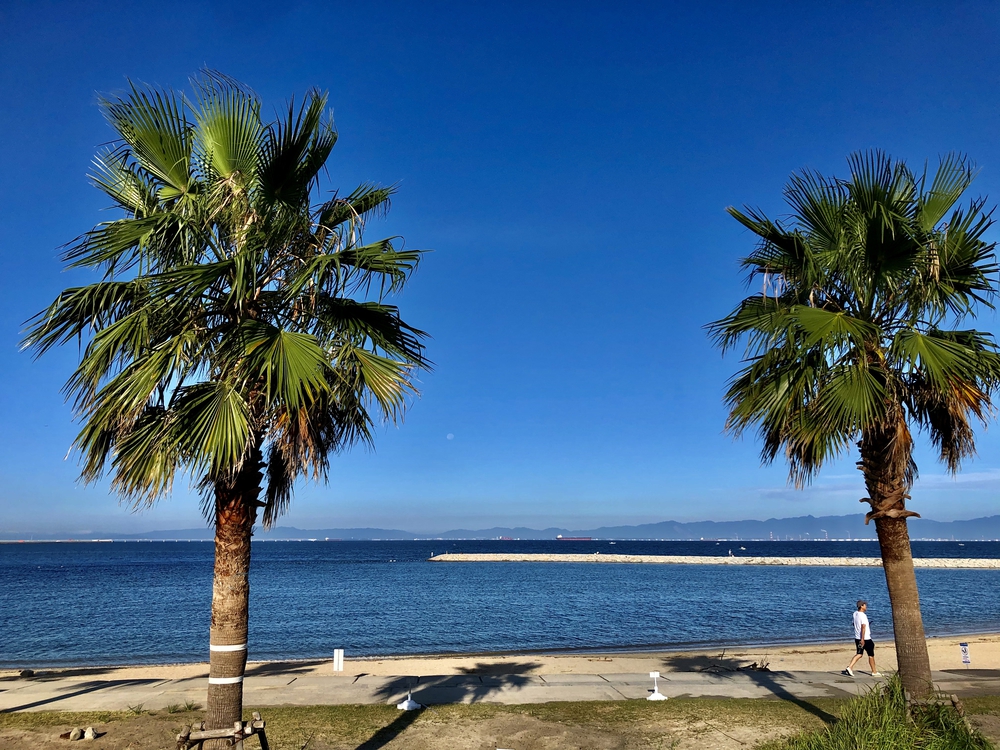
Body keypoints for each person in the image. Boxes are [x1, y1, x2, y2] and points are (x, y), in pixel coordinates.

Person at [843, 600, 881, 677]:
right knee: (871, 655)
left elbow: (854, 624)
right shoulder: (863, 615)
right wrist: (863, 639)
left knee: (859, 654)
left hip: (857, 637)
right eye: (865, 605)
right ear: (862, 606)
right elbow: (863, 627)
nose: (866, 606)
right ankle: (874, 672)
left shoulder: (855, 614)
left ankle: (850, 667)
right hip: (866, 639)